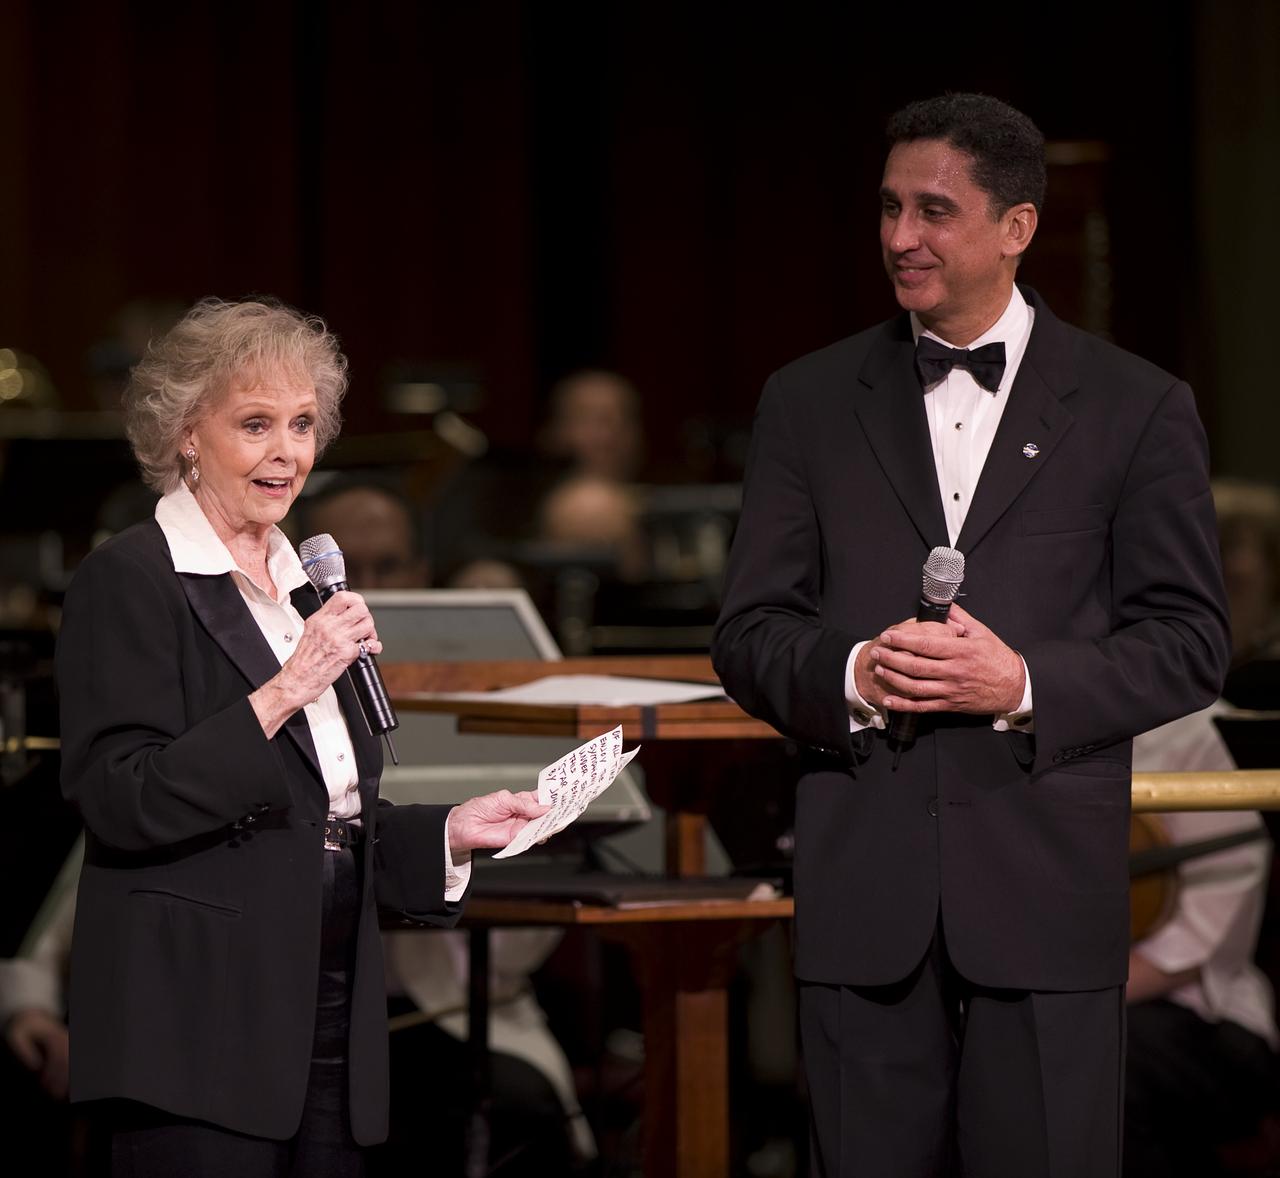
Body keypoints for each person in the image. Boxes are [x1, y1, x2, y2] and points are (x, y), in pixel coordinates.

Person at [711, 93, 1230, 1177]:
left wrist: (1023, 681)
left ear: (1017, 226)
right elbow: (748, 630)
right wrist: (850, 670)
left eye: (934, 210)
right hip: (863, 901)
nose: (901, 236)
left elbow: (1187, 640)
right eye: (890, 207)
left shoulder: (1135, 406)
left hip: (1044, 898)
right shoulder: (804, 401)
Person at [55, 297, 548, 1177]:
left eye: (302, 425)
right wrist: (290, 684)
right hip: (198, 1022)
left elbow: (320, 810)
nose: (287, 454)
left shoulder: (304, 583)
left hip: (328, 1004)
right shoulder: (131, 579)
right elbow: (121, 797)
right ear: (187, 435)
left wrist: (445, 831)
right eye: (255, 425)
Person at [1125, 707, 1278, 1177]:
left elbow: (1201, 940)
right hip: (1058, 1001)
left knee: (1104, 1066)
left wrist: (1060, 999)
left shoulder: (1199, 730)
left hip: (1200, 1015)